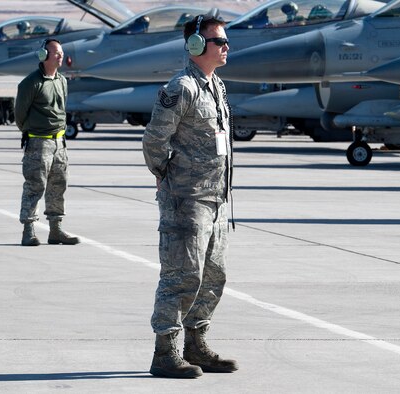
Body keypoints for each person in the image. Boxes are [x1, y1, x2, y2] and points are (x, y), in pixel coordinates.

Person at [142, 14, 238, 379]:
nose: (226, 47)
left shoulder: (217, 87)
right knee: (182, 276)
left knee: (213, 275)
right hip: (187, 198)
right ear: (196, 46)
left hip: (216, 198)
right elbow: (154, 140)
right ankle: (165, 352)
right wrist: (165, 176)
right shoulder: (181, 88)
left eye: (225, 41)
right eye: (219, 41)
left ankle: (196, 344)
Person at [15, 39, 80, 247]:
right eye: (56, 53)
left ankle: (56, 229)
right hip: (38, 144)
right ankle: (29, 230)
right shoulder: (30, 83)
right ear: (44, 55)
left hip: (59, 143)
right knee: (35, 186)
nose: (60, 56)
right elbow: (19, 115)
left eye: (61, 52)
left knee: (58, 186)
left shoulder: (62, 81)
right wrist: (33, 133)